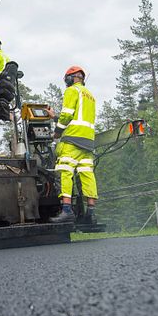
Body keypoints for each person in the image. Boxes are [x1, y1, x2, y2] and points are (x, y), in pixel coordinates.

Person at [50, 65, 98, 224]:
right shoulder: (90, 95)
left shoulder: (72, 91)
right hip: (88, 141)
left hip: (72, 140)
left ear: (72, 78)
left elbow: (67, 115)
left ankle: (67, 210)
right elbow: (78, 117)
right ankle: (91, 213)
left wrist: (57, 132)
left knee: (65, 171)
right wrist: (54, 117)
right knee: (87, 173)